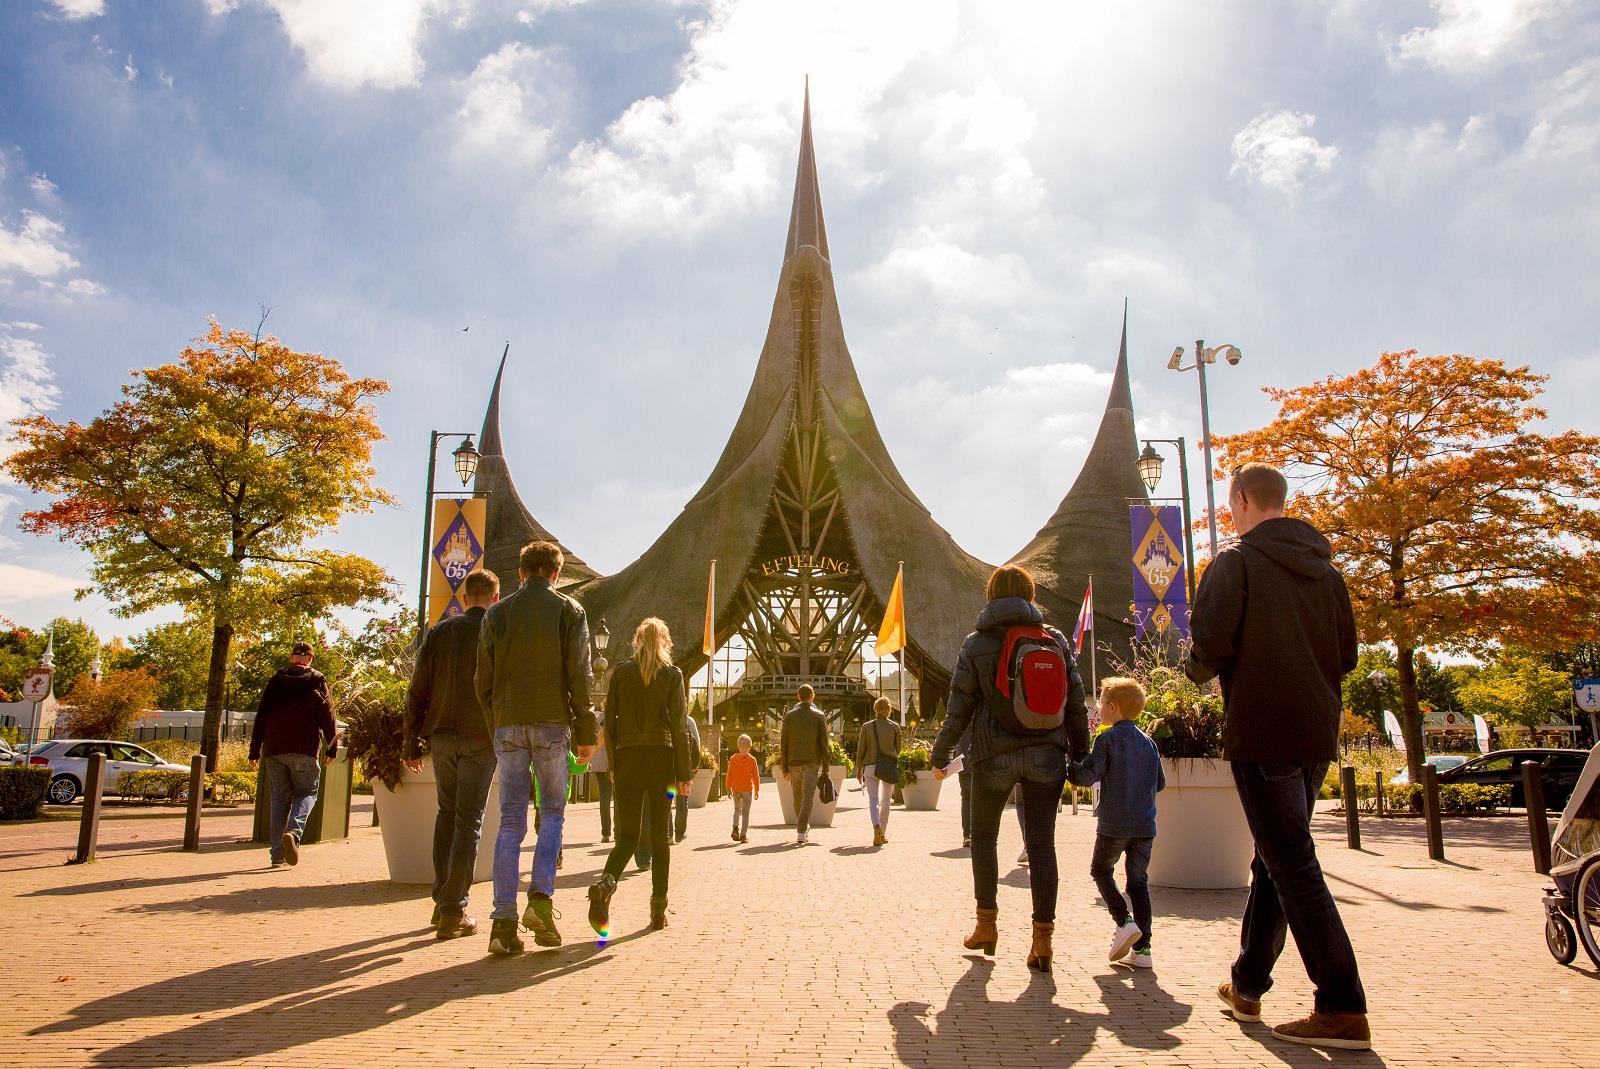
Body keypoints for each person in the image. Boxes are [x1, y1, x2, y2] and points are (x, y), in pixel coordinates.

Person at [1186, 462, 1369, 1051]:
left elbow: (1210, 645)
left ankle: (1341, 1005)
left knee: (1293, 864)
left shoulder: (1235, 564)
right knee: (1275, 859)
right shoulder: (1328, 574)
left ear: (1239, 500)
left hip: (1263, 731)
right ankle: (1247, 984)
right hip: (1316, 733)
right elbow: (1348, 656)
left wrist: (1194, 674)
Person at [931, 565, 1088, 973]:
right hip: (1046, 755)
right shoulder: (1053, 640)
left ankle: (987, 926)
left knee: (984, 838)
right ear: (1030, 594)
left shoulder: (977, 643)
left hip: (992, 755)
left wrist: (940, 753)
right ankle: (1042, 940)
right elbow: (1074, 701)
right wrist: (1080, 753)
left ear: (991, 594)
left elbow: (959, 705)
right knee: (1041, 845)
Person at [476, 540, 597, 956]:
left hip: (508, 723)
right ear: (557, 574)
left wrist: (497, 722)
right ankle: (540, 900)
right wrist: (586, 730)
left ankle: (503, 921)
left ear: (522, 573)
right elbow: (579, 674)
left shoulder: (496, 613)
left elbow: (483, 679)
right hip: (551, 723)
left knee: (510, 822)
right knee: (552, 815)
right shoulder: (569, 611)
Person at [404, 568, 499, 940]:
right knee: (469, 820)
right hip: (481, 735)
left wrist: (410, 740)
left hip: (441, 734)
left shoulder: (440, 632)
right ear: (495, 597)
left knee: (446, 814)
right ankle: (452, 909)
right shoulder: (496, 631)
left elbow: (417, 690)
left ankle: (441, 899)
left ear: (463, 597)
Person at [588, 618, 694, 936]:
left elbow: (612, 724)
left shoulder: (620, 672)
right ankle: (658, 910)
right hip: (661, 759)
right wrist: (684, 772)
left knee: (627, 837)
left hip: (629, 758)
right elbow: (678, 724)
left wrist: (615, 764)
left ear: (635, 642)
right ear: (664, 642)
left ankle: (606, 884)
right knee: (660, 838)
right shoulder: (672, 675)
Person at [1068, 676, 1163, 968]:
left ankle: (1123, 920)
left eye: (1101, 704)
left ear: (1112, 707)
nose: (1098, 709)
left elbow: (1089, 775)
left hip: (1114, 823)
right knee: (1139, 884)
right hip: (1145, 825)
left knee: (1100, 870)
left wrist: (1068, 767)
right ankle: (1143, 949)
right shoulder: (1149, 742)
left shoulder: (1106, 739)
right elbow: (1160, 782)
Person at [249, 640, 337, 869]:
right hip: (304, 749)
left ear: (292, 658)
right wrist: (332, 746)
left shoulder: (276, 681)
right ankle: (294, 831)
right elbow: (327, 715)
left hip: (274, 749)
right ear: (310, 659)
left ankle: (277, 856)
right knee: (308, 792)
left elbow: (261, 716)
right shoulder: (317, 680)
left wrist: (254, 750)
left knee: (279, 799)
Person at [780, 684, 830, 845]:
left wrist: (784, 767)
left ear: (798, 696)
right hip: (812, 761)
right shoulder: (819, 715)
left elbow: (784, 743)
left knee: (797, 796)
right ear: (812, 697)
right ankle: (801, 830)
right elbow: (824, 743)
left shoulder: (789, 716)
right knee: (808, 796)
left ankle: (802, 826)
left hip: (793, 761)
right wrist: (826, 766)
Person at [855, 696, 902, 846]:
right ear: (889, 710)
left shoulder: (867, 727)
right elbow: (899, 749)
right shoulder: (895, 727)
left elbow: (861, 749)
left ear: (876, 709)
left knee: (873, 800)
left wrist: (859, 769)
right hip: (888, 766)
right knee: (886, 801)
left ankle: (876, 827)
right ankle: (882, 832)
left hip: (870, 766)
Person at [725, 733, 760, 843]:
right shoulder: (752, 760)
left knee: (736, 810)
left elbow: (729, 774)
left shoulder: (733, 759)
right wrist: (757, 789)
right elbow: (755, 776)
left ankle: (735, 829)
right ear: (750, 747)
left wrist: (728, 787)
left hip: (736, 789)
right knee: (745, 813)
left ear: (738, 746)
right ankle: (743, 835)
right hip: (747, 790)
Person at [674, 710, 701, 843]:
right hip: (683, 769)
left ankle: (667, 833)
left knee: (667, 799)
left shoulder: (664, 719)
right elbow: (697, 746)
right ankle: (679, 833)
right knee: (682, 800)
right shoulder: (689, 721)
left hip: (669, 768)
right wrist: (693, 766)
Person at [590, 713, 612, 843]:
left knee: (604, 798)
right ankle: (617, 831)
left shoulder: (598, 718)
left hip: (599, 763)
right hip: (611, 762)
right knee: (618, 799)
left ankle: (606, 832)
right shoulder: (614, 716)